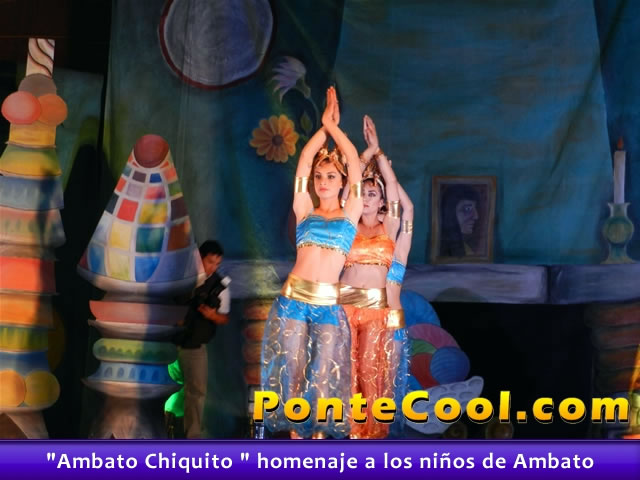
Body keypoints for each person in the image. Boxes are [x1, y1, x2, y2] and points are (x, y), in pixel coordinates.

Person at [261, 87, 363, 439]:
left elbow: (354, 161)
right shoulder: (304, 208)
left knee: (322, 373)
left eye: (331, 176)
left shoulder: (351, 212)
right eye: (319, 177)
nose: (322, 182)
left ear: (343, 181)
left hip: (327, 304)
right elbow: (304, 161)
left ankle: (318, 439)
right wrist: (322, 127)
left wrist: (334, 129)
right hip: (293, 299)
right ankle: (295, 438)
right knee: (292, 369)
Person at [339, 115, 402, 438]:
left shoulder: (388, 227)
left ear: (381, 202)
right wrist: (364, 156)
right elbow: (347, 190)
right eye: (362, 193)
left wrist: (378, 152)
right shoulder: (347, 225)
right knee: (347, 369)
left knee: (370, 369)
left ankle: (374, 435)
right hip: (345, 306)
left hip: (377, 309)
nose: (366, 199)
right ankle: (350, 433)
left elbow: (393, 187)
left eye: (372, 194)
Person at [174, 240, 230, 439]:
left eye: (217, 264)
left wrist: (212, 316)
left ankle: (192, 438)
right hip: (168, 341)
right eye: (210, 262)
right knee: (158, 386)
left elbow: (224, 317)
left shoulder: (220, 286)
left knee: (196, 392)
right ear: (199, 258)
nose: (213, 267)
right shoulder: (180, 276)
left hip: (194, 345)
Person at [384, 183, 413, 437]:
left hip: (392, 321)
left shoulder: (399, 248)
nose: (385, 218)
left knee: (387, 385)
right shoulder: (358, 246)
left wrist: (389, 178)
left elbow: (409, 208)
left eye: (387, 211)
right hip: (364, 317)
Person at [440, 185, 480, 257]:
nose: (476, 216)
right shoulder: (438, 247)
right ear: (450, 212)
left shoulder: (466, 248)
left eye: (475, 208)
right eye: (467, 209)